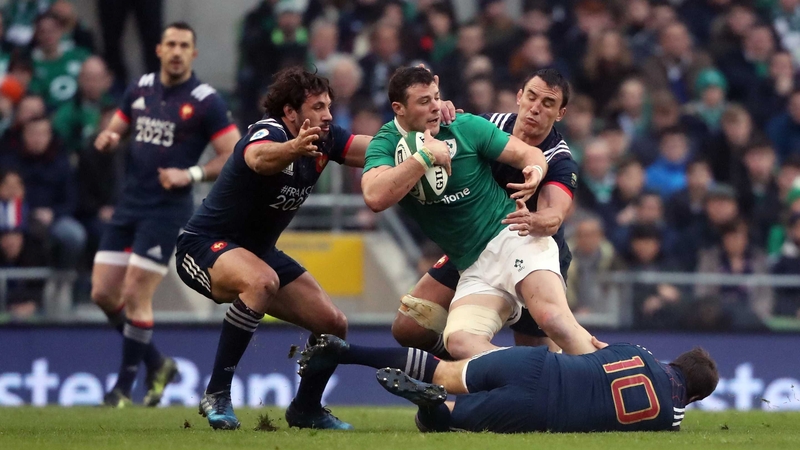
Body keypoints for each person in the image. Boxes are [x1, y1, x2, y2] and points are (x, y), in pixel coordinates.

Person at [174, 66, 372, 431]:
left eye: (329, 106)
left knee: (332, 324)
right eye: (318, 106)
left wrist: (424, 141)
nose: (328, 114)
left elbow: (375, 150)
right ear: (290, 112)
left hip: (256, 253)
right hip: (202, 246)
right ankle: (217, 392)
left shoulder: (325, 138)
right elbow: (257, 158)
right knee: (261, 281)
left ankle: (306, 408)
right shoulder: (270, 131)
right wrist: (294, 148)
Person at [363, 66, 597, 360]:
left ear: (560, 113)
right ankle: (458, 372)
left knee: (547, 338)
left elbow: (554, 216)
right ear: (519, 96)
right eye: (532, 97)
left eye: (548, 103)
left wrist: (535, 202)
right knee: (413, 329)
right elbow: (374, 190)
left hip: (522, 237)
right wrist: (435, 120)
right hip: (470, 254)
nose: (536, 108)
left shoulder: (559, 159)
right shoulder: (486, 124)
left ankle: (610, 371)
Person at [91, 22, 240, 408]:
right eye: (170, 44)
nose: (176, 51)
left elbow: (233, 153)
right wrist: (109, 137)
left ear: (193, 53)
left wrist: (190, 174)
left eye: (184, 45)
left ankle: (122, 390)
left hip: (166, 210)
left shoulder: (205, 100)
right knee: (103, 294)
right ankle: (157, 364)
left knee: (135, 293)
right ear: (159, 49)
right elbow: (117, 127)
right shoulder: (140, 88)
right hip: (130, 203)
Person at [299, 334, 718, 433]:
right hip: (539, 408)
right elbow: (676, 411)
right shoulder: (672, 415)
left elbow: (596, 346)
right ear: (695, 395)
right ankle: (430, 405)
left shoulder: (638, 350)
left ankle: (345, 350)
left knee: (444, 371)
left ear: (675, 361)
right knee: (439, 419)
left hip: (534, 362)